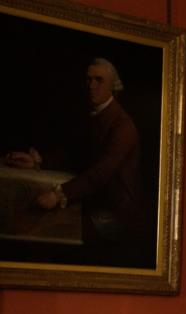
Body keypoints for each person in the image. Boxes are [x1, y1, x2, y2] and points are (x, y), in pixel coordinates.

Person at [3, 58, 150, 266]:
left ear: (114, 87)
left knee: (48, 234)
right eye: (89, 79)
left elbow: (100, 173)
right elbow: (76, 155)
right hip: (93, 200)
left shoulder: (123, 126)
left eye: (99, 80)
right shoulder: (96, 115)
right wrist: (37, 161)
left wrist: (58, 194)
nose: (91, 85)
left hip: (116, 213)